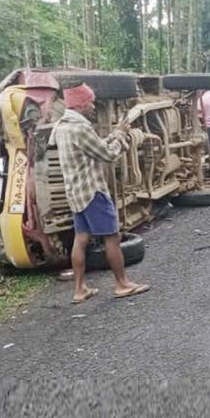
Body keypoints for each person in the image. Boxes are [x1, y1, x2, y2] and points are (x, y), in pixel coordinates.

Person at [51, 84, 150, 304]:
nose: (94, 106)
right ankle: (122, 284)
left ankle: (79, 289)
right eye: (91, 102)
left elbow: (92, 148)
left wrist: (116, 133)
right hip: (92, 190)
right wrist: (123, 140)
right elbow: (106, 154)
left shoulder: (61, 126)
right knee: (112, 237)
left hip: (75, 192)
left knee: (81, 239)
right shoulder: (81, 128)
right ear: (83, 104)